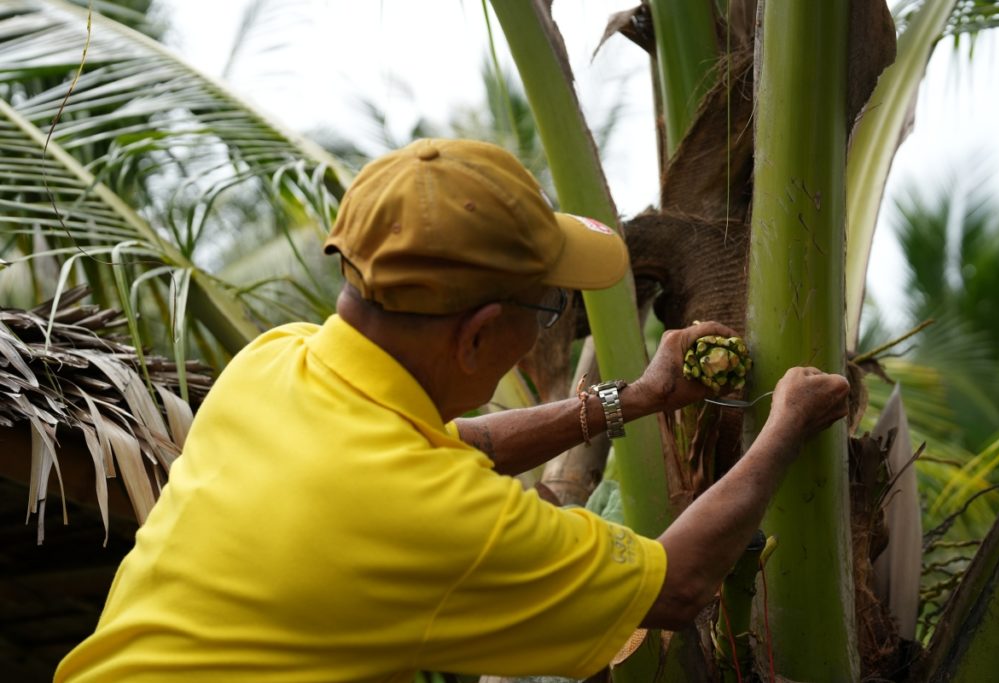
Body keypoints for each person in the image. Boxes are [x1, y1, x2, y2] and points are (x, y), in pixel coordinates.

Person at [55, 138, 849, 682]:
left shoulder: (275, 362)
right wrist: (784, 426)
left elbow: (453, 445)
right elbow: (677, 586)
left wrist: (635, 398)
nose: (546, 327)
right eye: (548, 311)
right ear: (477, 338)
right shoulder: (439, 519)